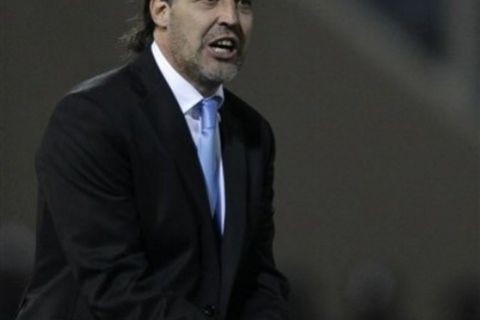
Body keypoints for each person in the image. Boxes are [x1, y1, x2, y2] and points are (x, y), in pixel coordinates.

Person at [15, 0, 289, 319]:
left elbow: (257, 277)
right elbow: (116, 285)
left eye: (243, 4)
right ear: (160, 10)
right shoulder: (92, 119)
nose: (230, 18)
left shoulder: (252, 134)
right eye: (209, 1)